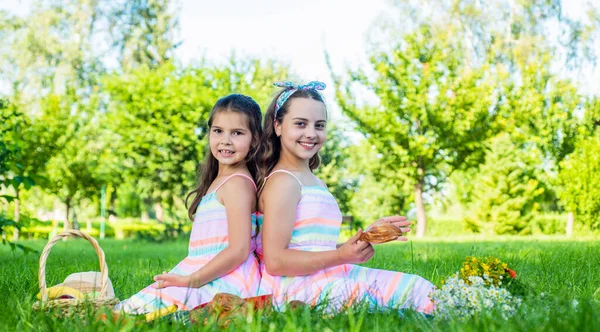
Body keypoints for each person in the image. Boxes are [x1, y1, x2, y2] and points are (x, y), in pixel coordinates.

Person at [255, 81, 435, 314]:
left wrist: (362, 239)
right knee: (356, 297)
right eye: (300, 124)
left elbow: (315, 248)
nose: (311, 133)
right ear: (278, 126)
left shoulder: (313, 180)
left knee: (418, 288)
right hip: (294, 287)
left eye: (319, 125)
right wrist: (341, 256)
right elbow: (276, 261)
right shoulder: (283, 182)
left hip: (329, 274)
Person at [115, 94, 263, 314]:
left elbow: (239, 250)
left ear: (254, 140)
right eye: (218, 130)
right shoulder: (220, 181)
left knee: (146, 311)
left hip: (227, 279)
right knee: (132, 308)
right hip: (206, 271)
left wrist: (192, 280)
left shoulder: (238, 185)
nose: (225, 140)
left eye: (237, 133)